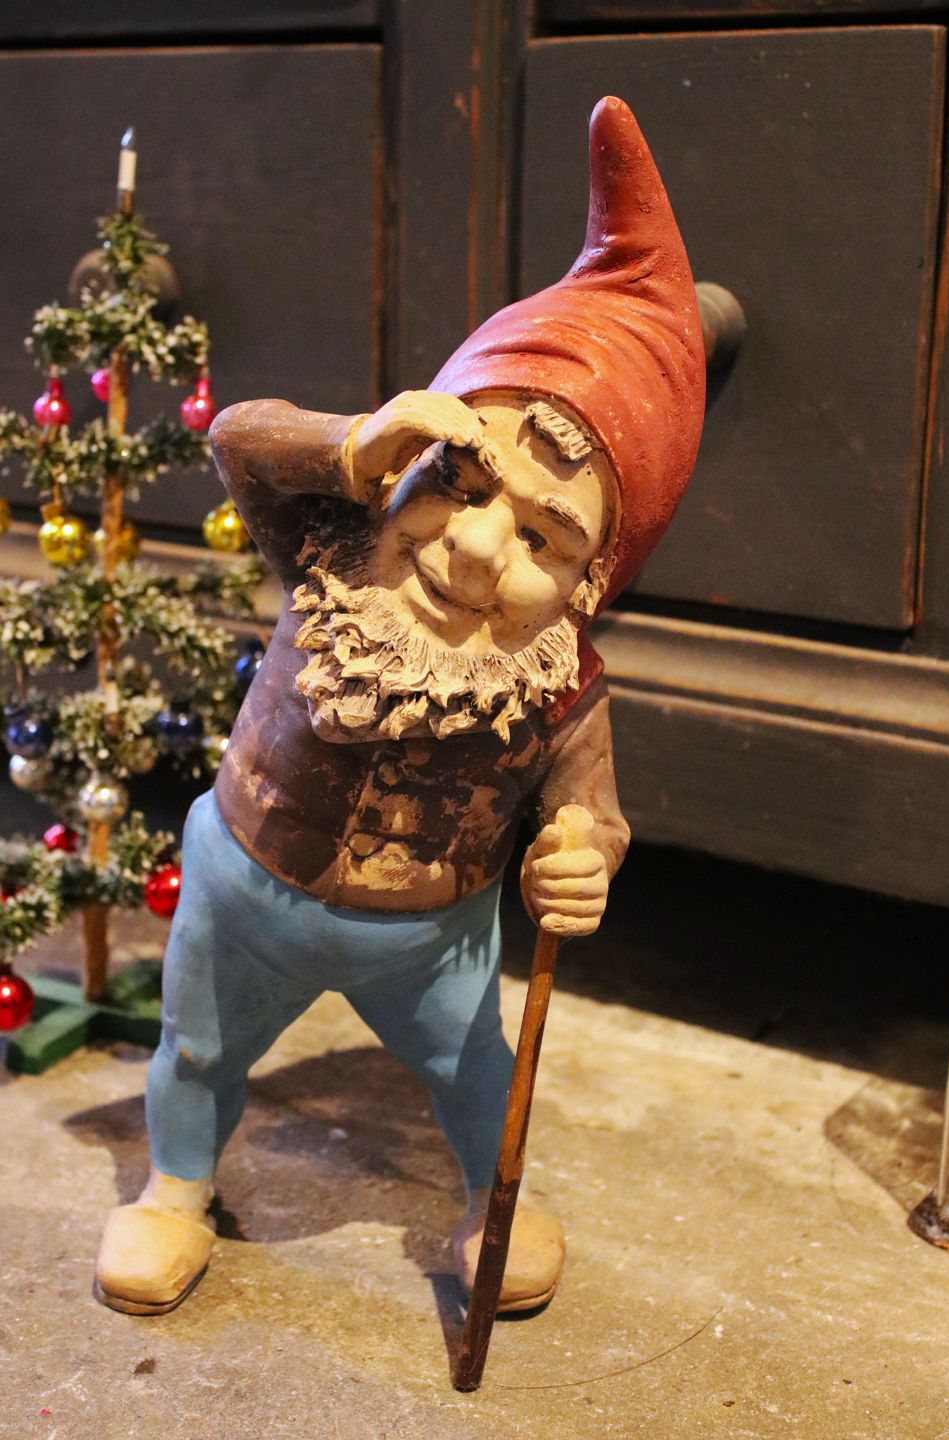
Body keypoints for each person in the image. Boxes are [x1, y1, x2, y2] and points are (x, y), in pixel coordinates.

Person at [95, 95, 705, 1318]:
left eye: (541, 537)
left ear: (590, 582)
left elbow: (592, 814)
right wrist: (349, 444)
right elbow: (237, 439)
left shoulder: (560, 683)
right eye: (462, 482)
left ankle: (495, 1195)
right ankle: (176, 1187)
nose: (475, 549)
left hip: (428, 937)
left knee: (477, 1070)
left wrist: (579, 855)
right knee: (197, 1046)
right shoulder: (331, 541)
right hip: (242, 888)